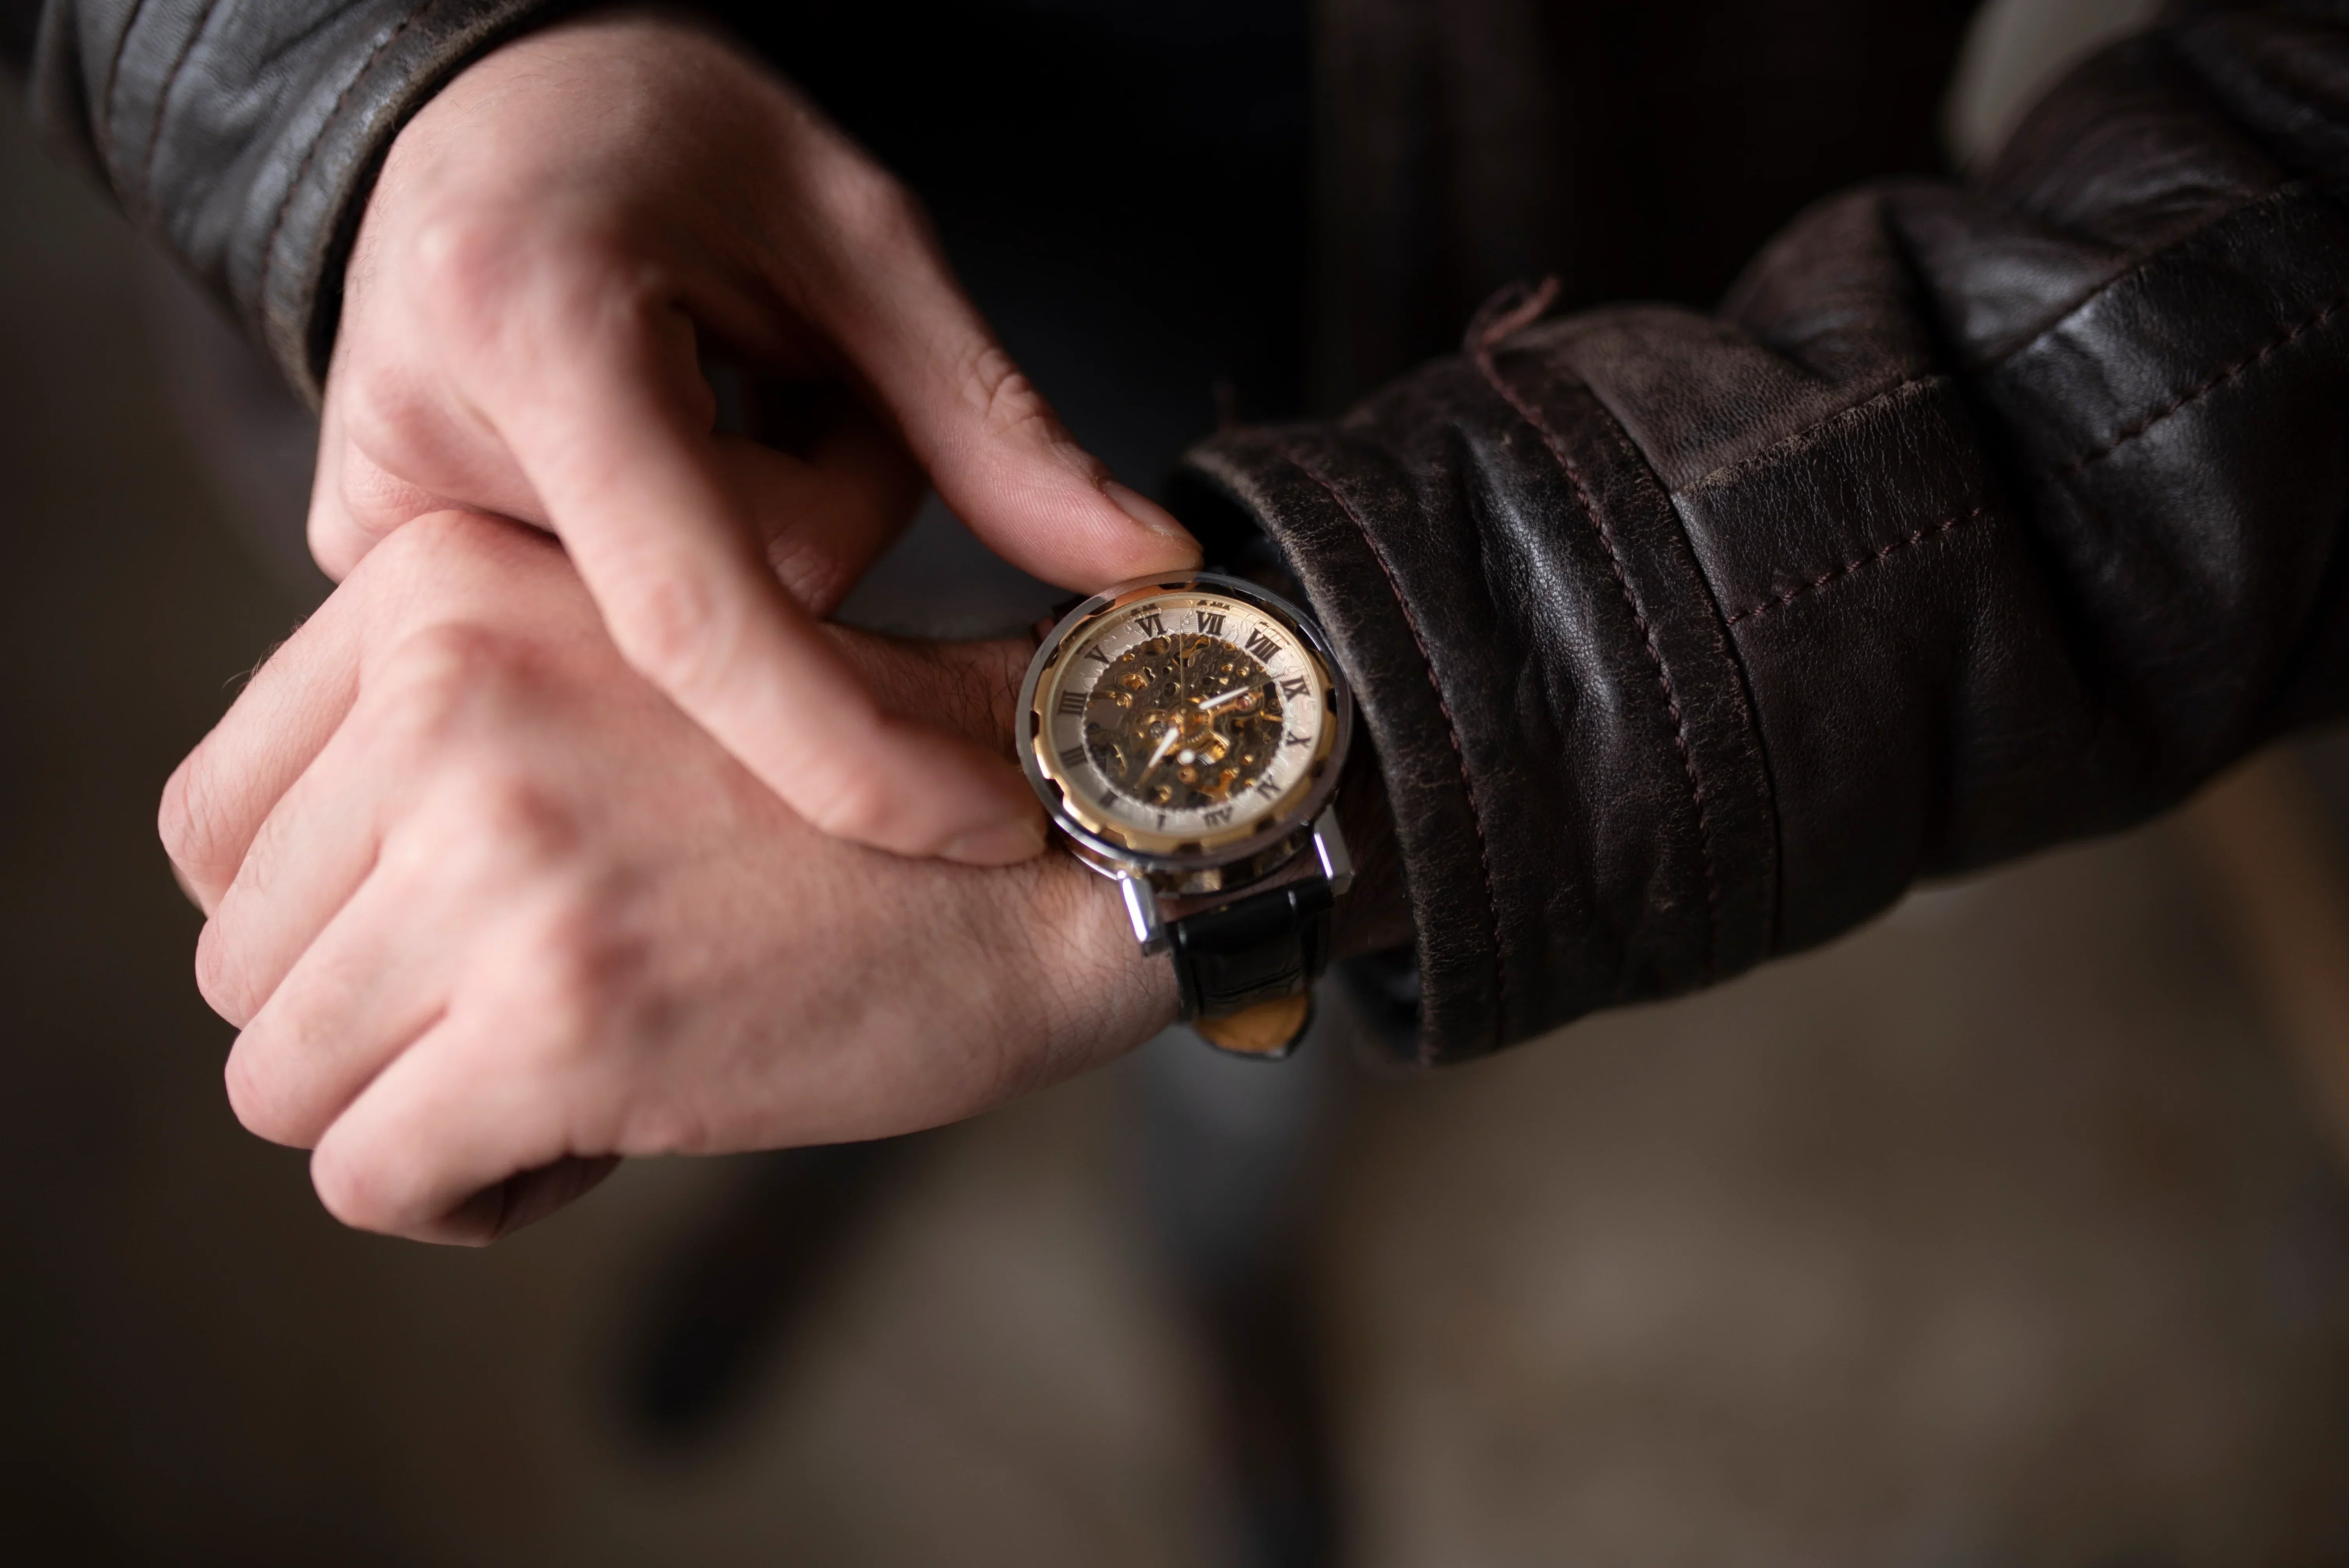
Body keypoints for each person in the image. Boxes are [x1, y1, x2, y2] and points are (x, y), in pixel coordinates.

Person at [7, 0, 2347, 1240]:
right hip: (607, 403)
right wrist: (373, 87)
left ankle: (1222, 1183)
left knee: (1250, 1056)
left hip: (1631, 396)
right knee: (687, 969)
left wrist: (1335, 750)